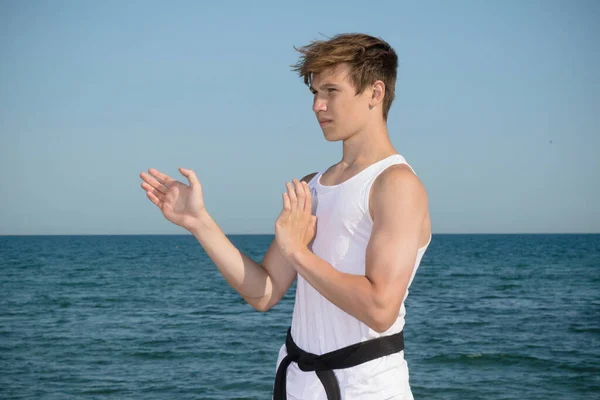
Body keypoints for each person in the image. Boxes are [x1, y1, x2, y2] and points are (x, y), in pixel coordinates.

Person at [140, 33, 431, 400]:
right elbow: (263, 292)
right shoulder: (312, 186)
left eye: (330, 91)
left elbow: (380, 308)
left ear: (375, 93)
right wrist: (199, 221)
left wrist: (298, 253)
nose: (317, 106)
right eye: (314, 93)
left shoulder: (396, 184)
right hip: (296, 386)